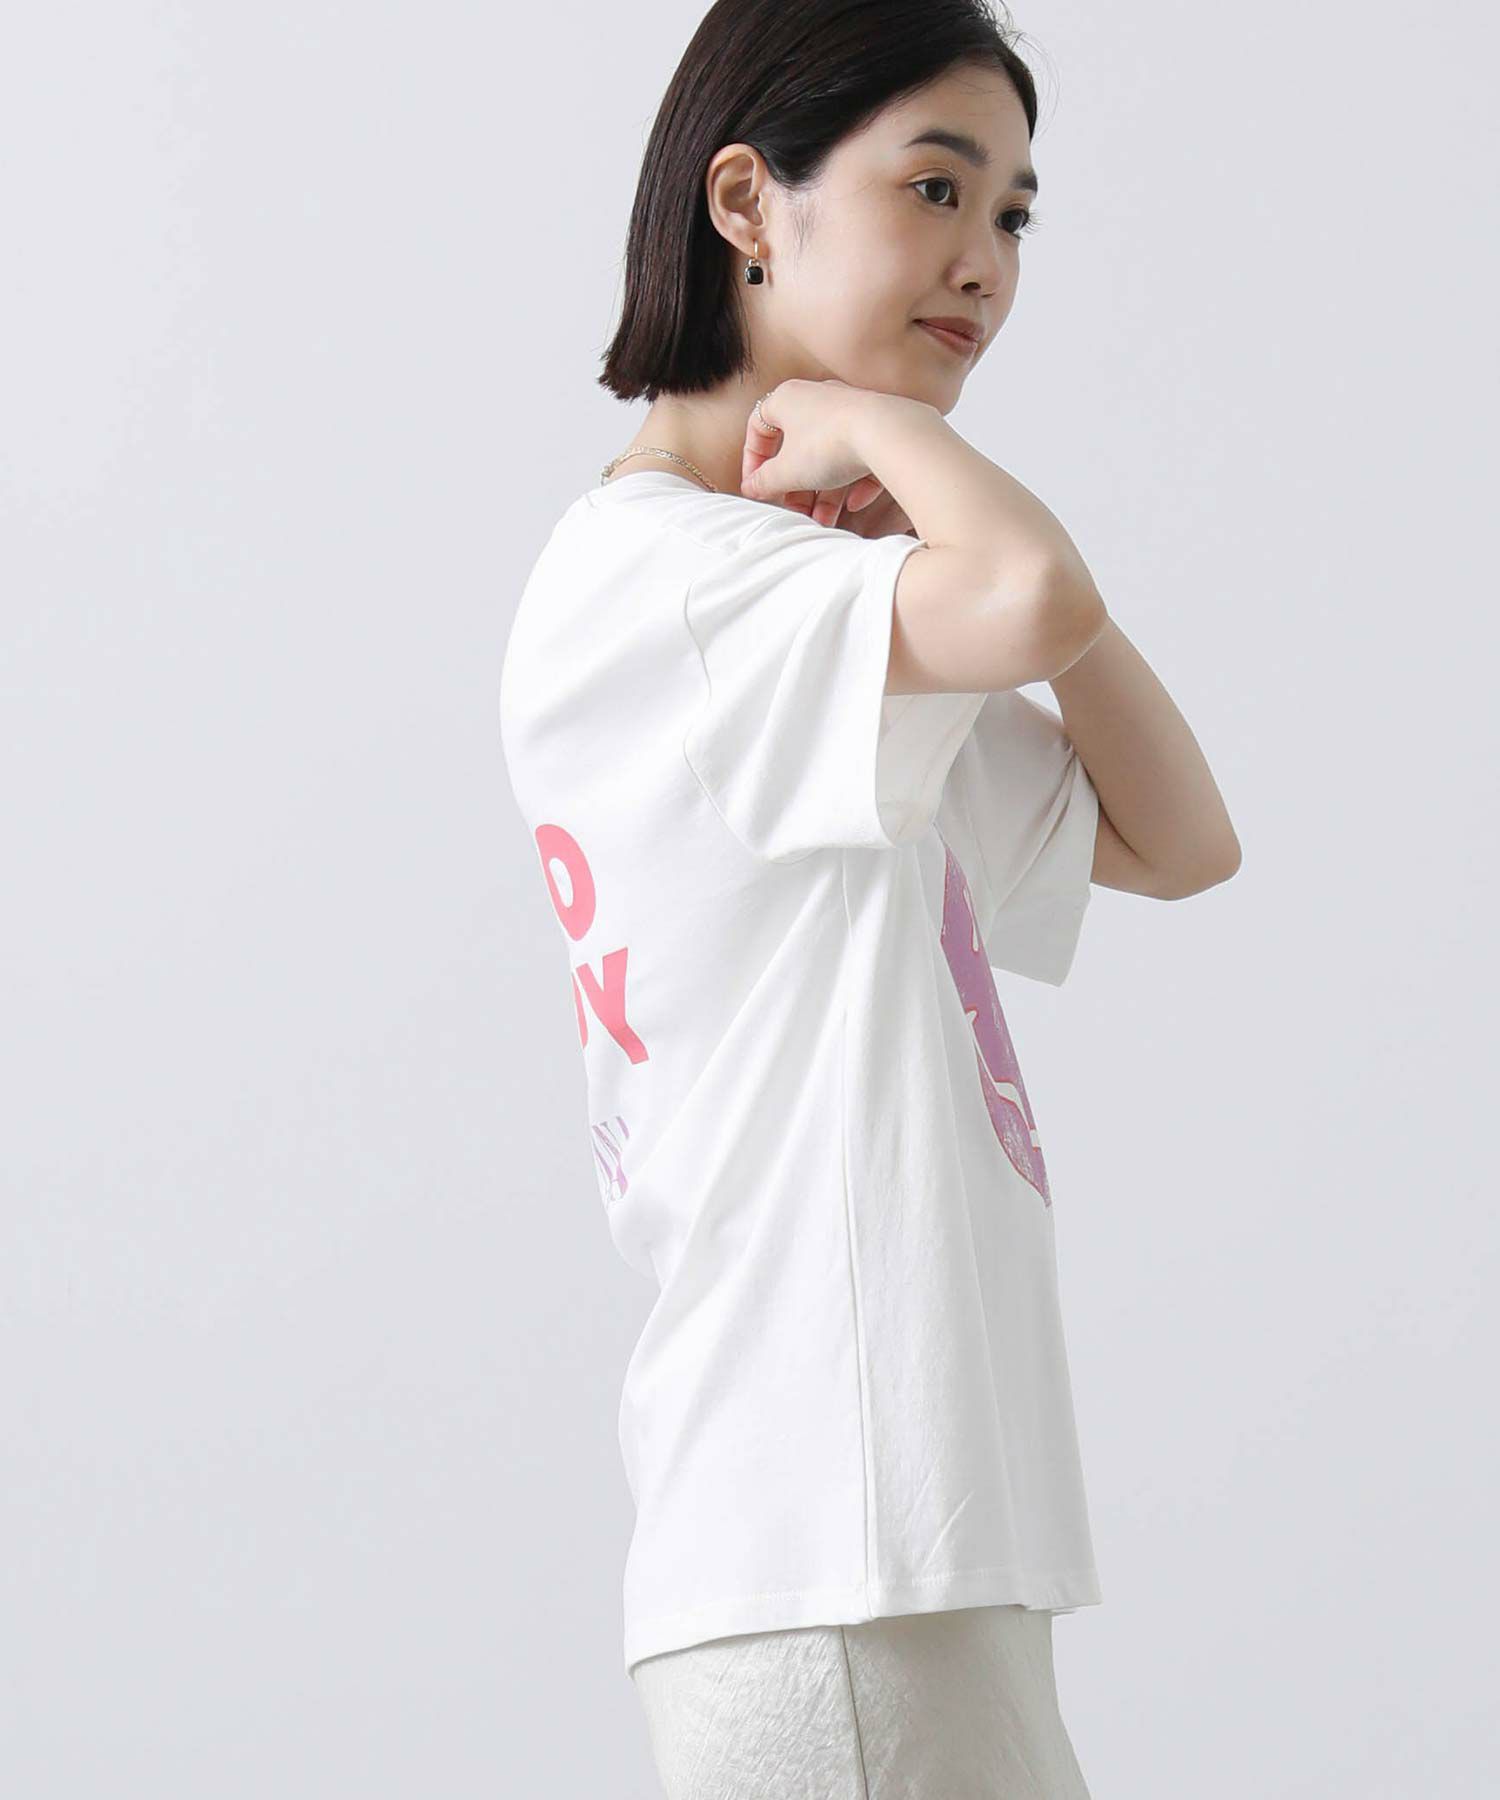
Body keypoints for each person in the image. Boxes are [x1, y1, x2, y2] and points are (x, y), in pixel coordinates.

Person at [499, 0, 1242, 1791]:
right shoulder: (681, 588)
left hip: (879, 1553)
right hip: (834, 1553)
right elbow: (1034, 593)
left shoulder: (796, 609)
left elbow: (1177, 840)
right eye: (935, 187)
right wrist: (862, 424)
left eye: (1015, 215)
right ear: (745, 202)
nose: (986, 262)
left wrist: (901, 503)